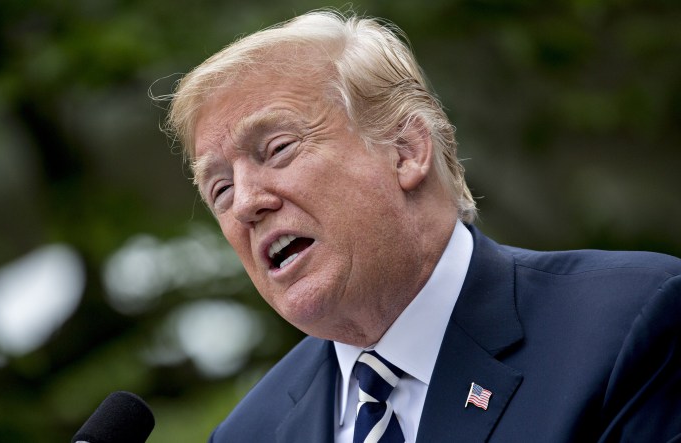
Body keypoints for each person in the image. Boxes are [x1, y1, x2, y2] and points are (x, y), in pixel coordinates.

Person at [162, 9, 681, 443]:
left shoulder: (629, 326)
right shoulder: (248, 433)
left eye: (277, 149)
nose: (247, 202)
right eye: (220, 190)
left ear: (405, 150)